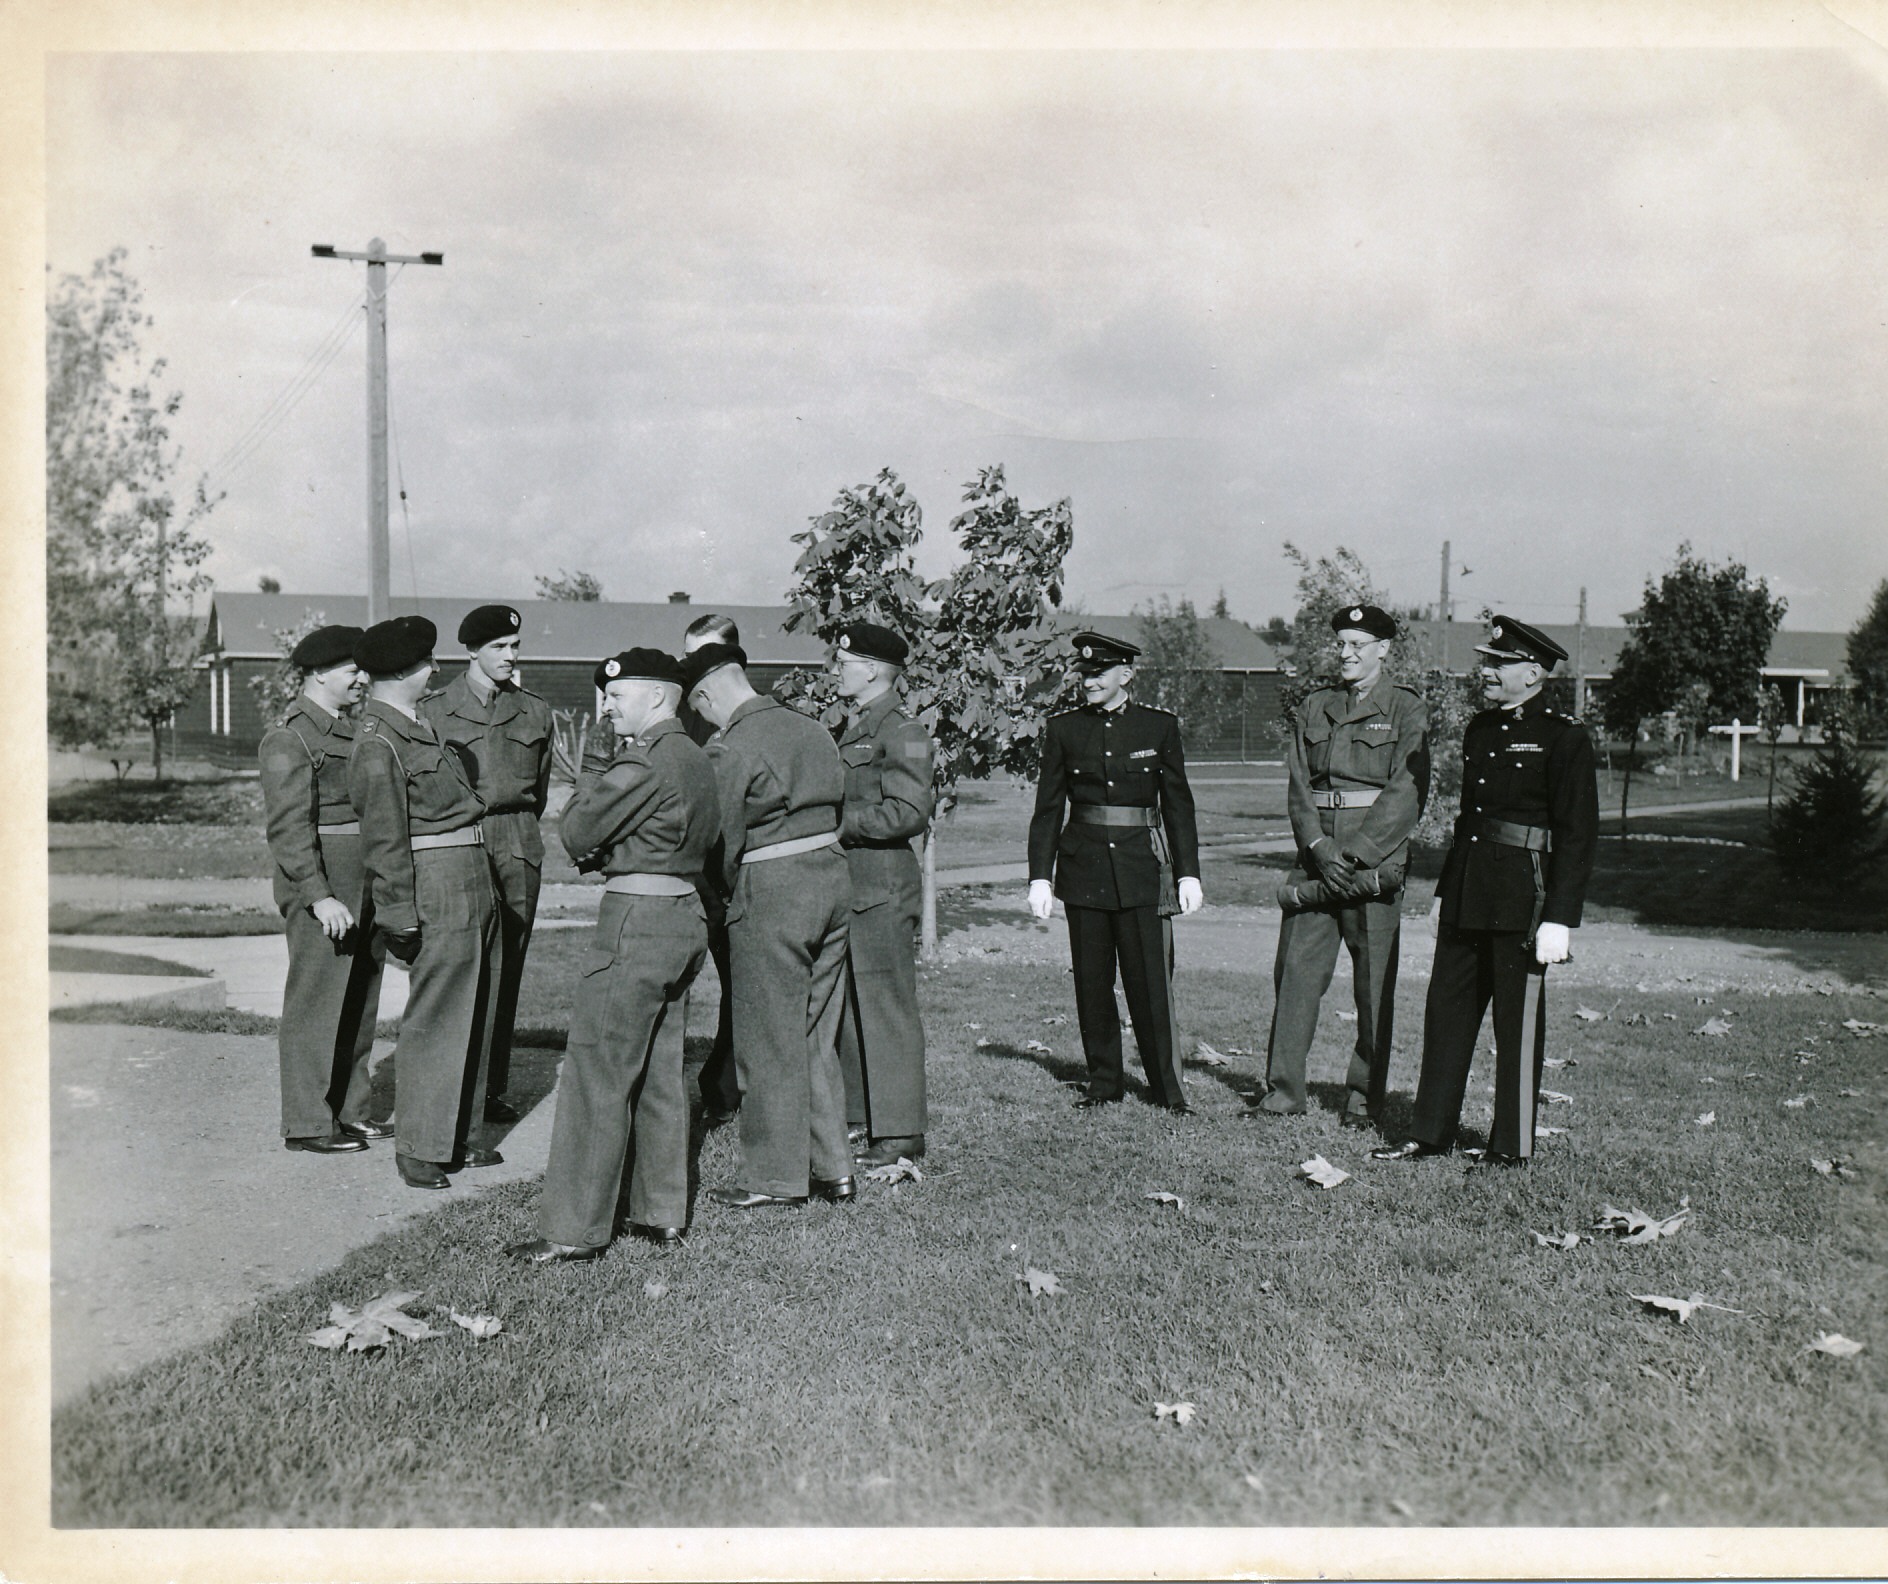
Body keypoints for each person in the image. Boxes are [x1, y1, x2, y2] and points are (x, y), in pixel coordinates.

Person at [508, 649, 719, 1263]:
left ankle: (574, 1229)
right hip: (682, 913)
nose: (606, 708)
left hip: (636, 919)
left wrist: (593, 771)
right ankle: (660, 1214)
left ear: (655, 697)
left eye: (616, 697)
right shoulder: (695, 756)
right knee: (659, 1068)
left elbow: (577, 833)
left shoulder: (644, 761)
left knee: (597, 1070)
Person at [1373, 615, 1598, 1167]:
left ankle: (1510, 1147)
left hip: (1526, 898)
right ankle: (1430, 1133)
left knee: (1516, 1025)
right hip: (1471, 890)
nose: (1488, 672)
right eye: (1489, 662)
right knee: (1446, 1014)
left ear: (1533, 671)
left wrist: (1560, 918)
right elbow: (1469, 821)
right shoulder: (1481, 729)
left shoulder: (1564, 737)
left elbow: (1578, 833)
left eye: (1499, 664)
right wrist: (1448, 891)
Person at [684, 641, 854, 1208]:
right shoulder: (814, 729)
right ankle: (835, 1169)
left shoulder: (729, 746)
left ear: (706, 694)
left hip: (774, 888)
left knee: (766, 1040)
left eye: (699, 707)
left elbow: (719, 841)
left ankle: (773, 1179)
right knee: (812, 1034)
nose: (703, 718)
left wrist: (730, 894)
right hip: (833, 877)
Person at [1248, 604, 1429, 1126]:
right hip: (1316, 859)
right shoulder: (1316, 706)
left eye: (1358, 645)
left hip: (1372, 858)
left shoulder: (1406, 709)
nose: (1346, 654)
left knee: (1372, 986)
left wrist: (1353, 857)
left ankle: (1364, 1101)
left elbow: (1407, 792)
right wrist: (1319, 850)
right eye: (1342, 644)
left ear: (1383, 649)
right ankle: (1283, 1093)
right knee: (1295, 976)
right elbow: (1299, 784)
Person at [348, 615, 502, 1191]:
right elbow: (384, 839)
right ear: (403, 671)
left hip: (469, 872)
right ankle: (419, 1144)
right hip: (435, 879)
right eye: (427, 662)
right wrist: (397, 916)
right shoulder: (378, 740)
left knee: (473, 1008)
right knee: (437, 1016)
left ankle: (457, 1133)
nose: (436, 670)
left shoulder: (417, 725)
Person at [1027, 631, 1203, 1112]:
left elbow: (1178, 807)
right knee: (1092, 982)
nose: (1088, 681)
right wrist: (1040, 876)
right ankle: (1104, 1083)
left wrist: (1188, 873)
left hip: (1141, 869)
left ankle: (1168, 1090)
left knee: (1150, 985)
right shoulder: (1064, 730)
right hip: (1084, 870)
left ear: (1125, 674)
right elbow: (1048, 809)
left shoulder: (1158, 728)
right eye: (1084, 673)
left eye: (1099, 673)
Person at [257, 623, 390, 1154]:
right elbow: (289, 829)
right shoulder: (290, 737)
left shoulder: (354, 730)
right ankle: (308, 1122)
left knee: (359, 998)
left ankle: (351, 1109)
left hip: (362, 875)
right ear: (316, 674)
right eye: (350, 669)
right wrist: (319, 895)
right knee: (317, 1000)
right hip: (325, 879)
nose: (362, 678)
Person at [420, 604, 554, 1126]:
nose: (510, 655)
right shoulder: (435, 711)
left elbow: (537, 791)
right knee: (462, 963)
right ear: (471, 650)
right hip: (461, 840)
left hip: (517, 839)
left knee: (508, 968)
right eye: (498, 647)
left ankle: (490, 1086)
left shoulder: (535, 710)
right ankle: (453, 1085)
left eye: (514, 646)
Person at [829, 621, 936, 1166]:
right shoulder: (854, 726)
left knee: (885, 1003)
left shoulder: (903, 731)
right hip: (854, 882)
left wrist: (836, 823)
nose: (836, 669)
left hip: (882, 883)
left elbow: (909, 812)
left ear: (871, 669)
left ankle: (899, 1132)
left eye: (844, 662)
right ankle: (859, 1113)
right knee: (849, 1001)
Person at [681, 612, 742, 1127]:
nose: (691, 667)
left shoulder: (743, 716)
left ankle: (722, 1091)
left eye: (702, 654)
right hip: (688, 871)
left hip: (727, 877)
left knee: (738, 986)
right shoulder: (681, 714)